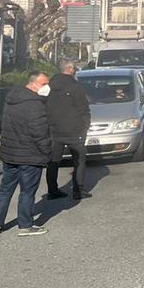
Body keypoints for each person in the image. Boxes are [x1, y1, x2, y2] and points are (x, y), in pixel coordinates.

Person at [0, 71, 53, 236]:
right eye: (43, 84)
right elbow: (39, 133)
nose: (47, 87)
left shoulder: (12, 99)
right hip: (30, 155)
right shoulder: (35, 104)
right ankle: (25, 225)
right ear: (33, 84)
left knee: (5, 189)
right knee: (27, 191)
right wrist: (48, 153)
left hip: (9, 153)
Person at [45, 59, 92, 200]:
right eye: (74, 68)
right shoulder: (75, 86)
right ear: (70, 69)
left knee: (53, 161)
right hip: (74, 130)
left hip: (53, 129)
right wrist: (85, 126)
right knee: (79, 159)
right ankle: (79, 190)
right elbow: (83, 108)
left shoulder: (49, 86)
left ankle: (52, 190)